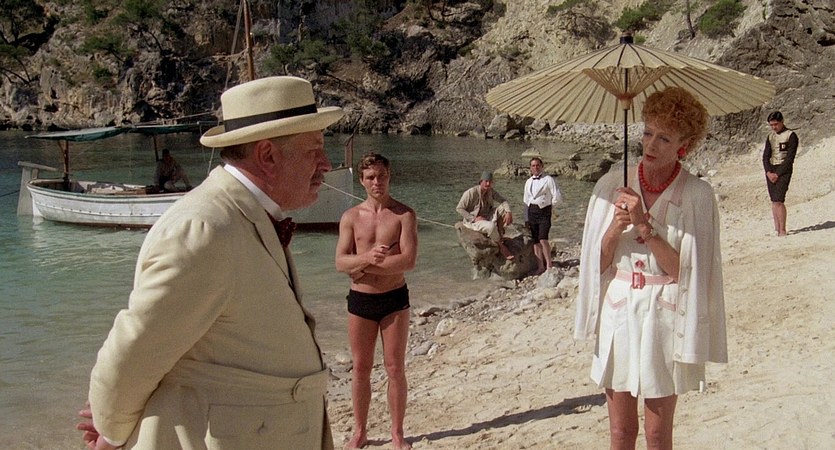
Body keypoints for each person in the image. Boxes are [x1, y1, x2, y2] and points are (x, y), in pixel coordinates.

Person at [76, 76, 344, 450]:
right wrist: (114, 430)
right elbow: (135, 351)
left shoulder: (239, 216)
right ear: (267, 155)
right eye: (315, 149)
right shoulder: (205, 228)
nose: (326, 164)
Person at [574, 87, 727, 450]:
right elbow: (596, 265)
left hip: (665, 314)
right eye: (647, 132)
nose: (651, 144)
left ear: (684, 145)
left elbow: (688, 274)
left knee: (658, 435)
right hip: (619, 309)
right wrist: (615, 228)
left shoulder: (697, 195)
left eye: (664, 138)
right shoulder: (612, 185)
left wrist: (644, 225)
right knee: (621, 432)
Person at [335, 153, 418, 450]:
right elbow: (340, 261)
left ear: (389, 176)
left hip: (394, 300)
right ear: (362, 181)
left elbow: (408, 261)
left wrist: (363, 266)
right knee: (361, 368)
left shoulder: (404, 215)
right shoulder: (351, 217)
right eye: (370, 177)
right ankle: (360, 431)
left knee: (395, 368)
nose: (377, 182)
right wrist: (369, 258)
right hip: (361, 301)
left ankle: (397, 432)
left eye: (381, 176)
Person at [456, 171, 514, 259]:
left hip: (487, 216)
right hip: (473, 221)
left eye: (490, 182)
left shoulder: (490, 191)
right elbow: (459, 208)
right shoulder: (471, 193)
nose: (488, 184)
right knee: (491, 226)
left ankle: (500, 235)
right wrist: (473, 218)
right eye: (486, 181)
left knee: (504, 209)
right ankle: (501, 245)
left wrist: (509, 212)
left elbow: (503, 201)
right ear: (481, 182)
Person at [523, 157, 563, 274]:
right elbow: (526, 200)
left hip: (544, 212)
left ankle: (549, 265)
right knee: (536, 241)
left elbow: (557, 196)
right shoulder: (528, 181)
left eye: (537, 165)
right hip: (532, 212)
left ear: (542, 166)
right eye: (533, 166)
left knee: (543, 239)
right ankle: (540, 266)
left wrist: (551, 207)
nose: (535, 167)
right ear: (530, 168)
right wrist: (526, 218)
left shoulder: (548, 179)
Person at [762, 111, 798, 236]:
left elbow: (790, 158)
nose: (774, 127)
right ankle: (777, 228)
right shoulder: (770, 137)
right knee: (773, 200)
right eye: (771, 125)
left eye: (776, 124)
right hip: (771, 168)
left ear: (782, 122)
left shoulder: (791, 136)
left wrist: (778, 174)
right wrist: (768, 172)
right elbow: (766, 156)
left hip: (784, 169)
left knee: (779, 200)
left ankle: (782, 229)